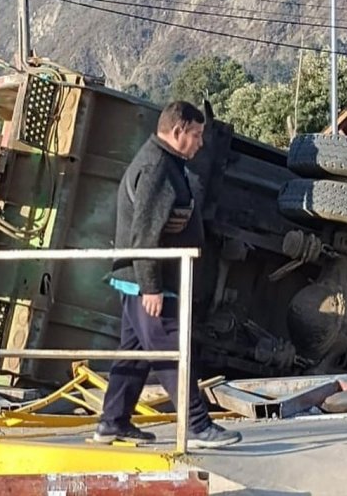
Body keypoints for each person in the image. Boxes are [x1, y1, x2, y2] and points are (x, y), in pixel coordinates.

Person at [94, 101, 242, 449]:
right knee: (172, 350)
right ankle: (197, 425)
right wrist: (152, 287)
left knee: (134, 354)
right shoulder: (159, 168)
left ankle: (112, 422)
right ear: (178, 132)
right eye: (196, 134)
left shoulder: (161, 162)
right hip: (148, 281)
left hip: (139, 279)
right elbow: (145, 233)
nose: (200, 143)